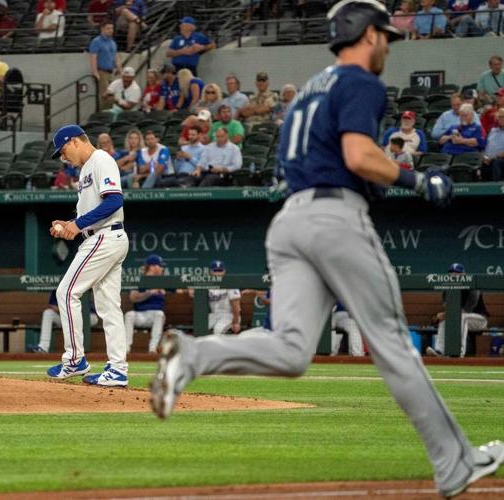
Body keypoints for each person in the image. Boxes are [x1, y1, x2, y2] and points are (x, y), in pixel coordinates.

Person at [150, 2, 504, 498]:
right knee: (393, 344)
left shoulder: (307, 93)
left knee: (293, 350)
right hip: (333, 216)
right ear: (364, 33)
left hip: (290, 221)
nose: (386, 44)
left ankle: (192, 354)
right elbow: (357, 156)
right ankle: (454, 463)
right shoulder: (359, 82)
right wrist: (416, 178)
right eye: (383, 34)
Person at [46, 124, 129, 387]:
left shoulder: (100, 159)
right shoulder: (86, 170)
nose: (63, 158)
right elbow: (91, 211)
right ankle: (117, 369)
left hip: (104, 237)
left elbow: (115, 200)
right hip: (105, 236)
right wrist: (70, 224)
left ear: (74, 142)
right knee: (109, 307)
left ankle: (74, 359)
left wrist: (78, 225)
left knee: (67, 292)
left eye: (63, 151)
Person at [427, 263, 488, 358]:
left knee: (461, 317)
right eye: (451, 272)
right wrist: (443, 315)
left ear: (464, 274)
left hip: (479, 320)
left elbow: (466, 311)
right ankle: (439, 351)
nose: (454, 275)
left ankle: (459, 353)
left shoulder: (473, 288)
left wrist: (445, 314)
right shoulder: (447, 288)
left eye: (457, 273)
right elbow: (448, 309)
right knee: (445, 319)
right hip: (461, 318)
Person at [31, 290, 98, 353]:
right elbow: (53, 306)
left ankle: (78, 350)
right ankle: (43, 347)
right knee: (48, 313)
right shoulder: (58, 286)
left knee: (86, 319)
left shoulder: (80, 283)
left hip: (87, 317)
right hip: (66, 317)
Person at [124, 254, 167, 353]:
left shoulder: (163, 281)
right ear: (152, 267)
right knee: (129, 315)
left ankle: (153, 349)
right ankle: (126, 348)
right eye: (160, 266)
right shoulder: (140, 280)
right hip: (140, 314)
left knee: (159, 315)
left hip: (155, 315)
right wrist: (149, 293)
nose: (162, 268)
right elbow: (132, 297)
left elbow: (180, 290)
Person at [188, 260, 241, 335]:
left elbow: (236, 307)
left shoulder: (230, 284)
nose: (218, 273)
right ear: (211, 272)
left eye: (220, 270)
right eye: (215, 271)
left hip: (229, 315)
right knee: (200, 328)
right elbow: (192, 294)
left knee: (218, 330)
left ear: (224, 271)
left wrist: (236, 322)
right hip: (214, 315)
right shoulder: (208, 285)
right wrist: (190, 288)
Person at [89, 20, 121, 111]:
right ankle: (103, 116)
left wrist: (119, 69)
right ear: (102, 29)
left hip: (111, 72)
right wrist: (95, 72)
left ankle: (108, 115)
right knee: (106, 96)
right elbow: (93, 57)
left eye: (112, 28)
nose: (111, 30)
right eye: (108, 28)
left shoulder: (112, 42)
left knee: (113, 96)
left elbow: (115, 57)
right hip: (102, 71)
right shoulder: (96, 41)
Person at [483, 107, 504, 181]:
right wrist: (485, 156)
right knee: (481, 163)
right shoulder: (493, 131)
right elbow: (486, 146)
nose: (500, 119)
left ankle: (496, 188)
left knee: (496, 163)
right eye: (499, 117)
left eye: (502, 117)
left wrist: (495, 157)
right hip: (489, 159)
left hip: (500, 159)